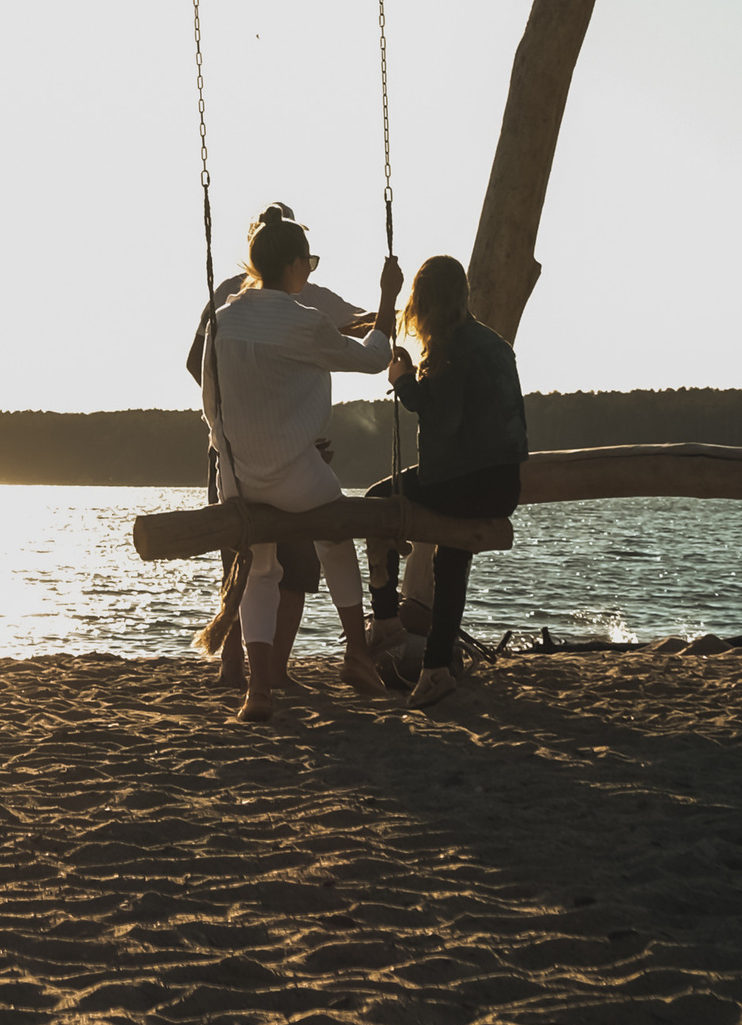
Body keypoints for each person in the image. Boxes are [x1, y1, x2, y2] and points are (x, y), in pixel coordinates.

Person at [195, 200, 401, 721]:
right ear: (293, 266)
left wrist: (231, 461)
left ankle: (258, 692)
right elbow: (376, 359)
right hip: (291, 475)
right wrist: (388, 296)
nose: (309, 272)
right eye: (308, 264)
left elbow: (210, 404)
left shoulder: (223, 319)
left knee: (260, 569)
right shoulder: (303, 321)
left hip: (238, 478)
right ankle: (356, 653)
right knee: (335, 537)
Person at [366, 254, 527, 708]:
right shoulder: (495, 344)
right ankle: (435, 669)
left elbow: (443, 420)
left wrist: (403, 381)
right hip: (503, 486)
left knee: (378, 501)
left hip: (462, 483)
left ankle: (384, 619)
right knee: (451, 559)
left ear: (425, 300)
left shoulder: (452, 347)